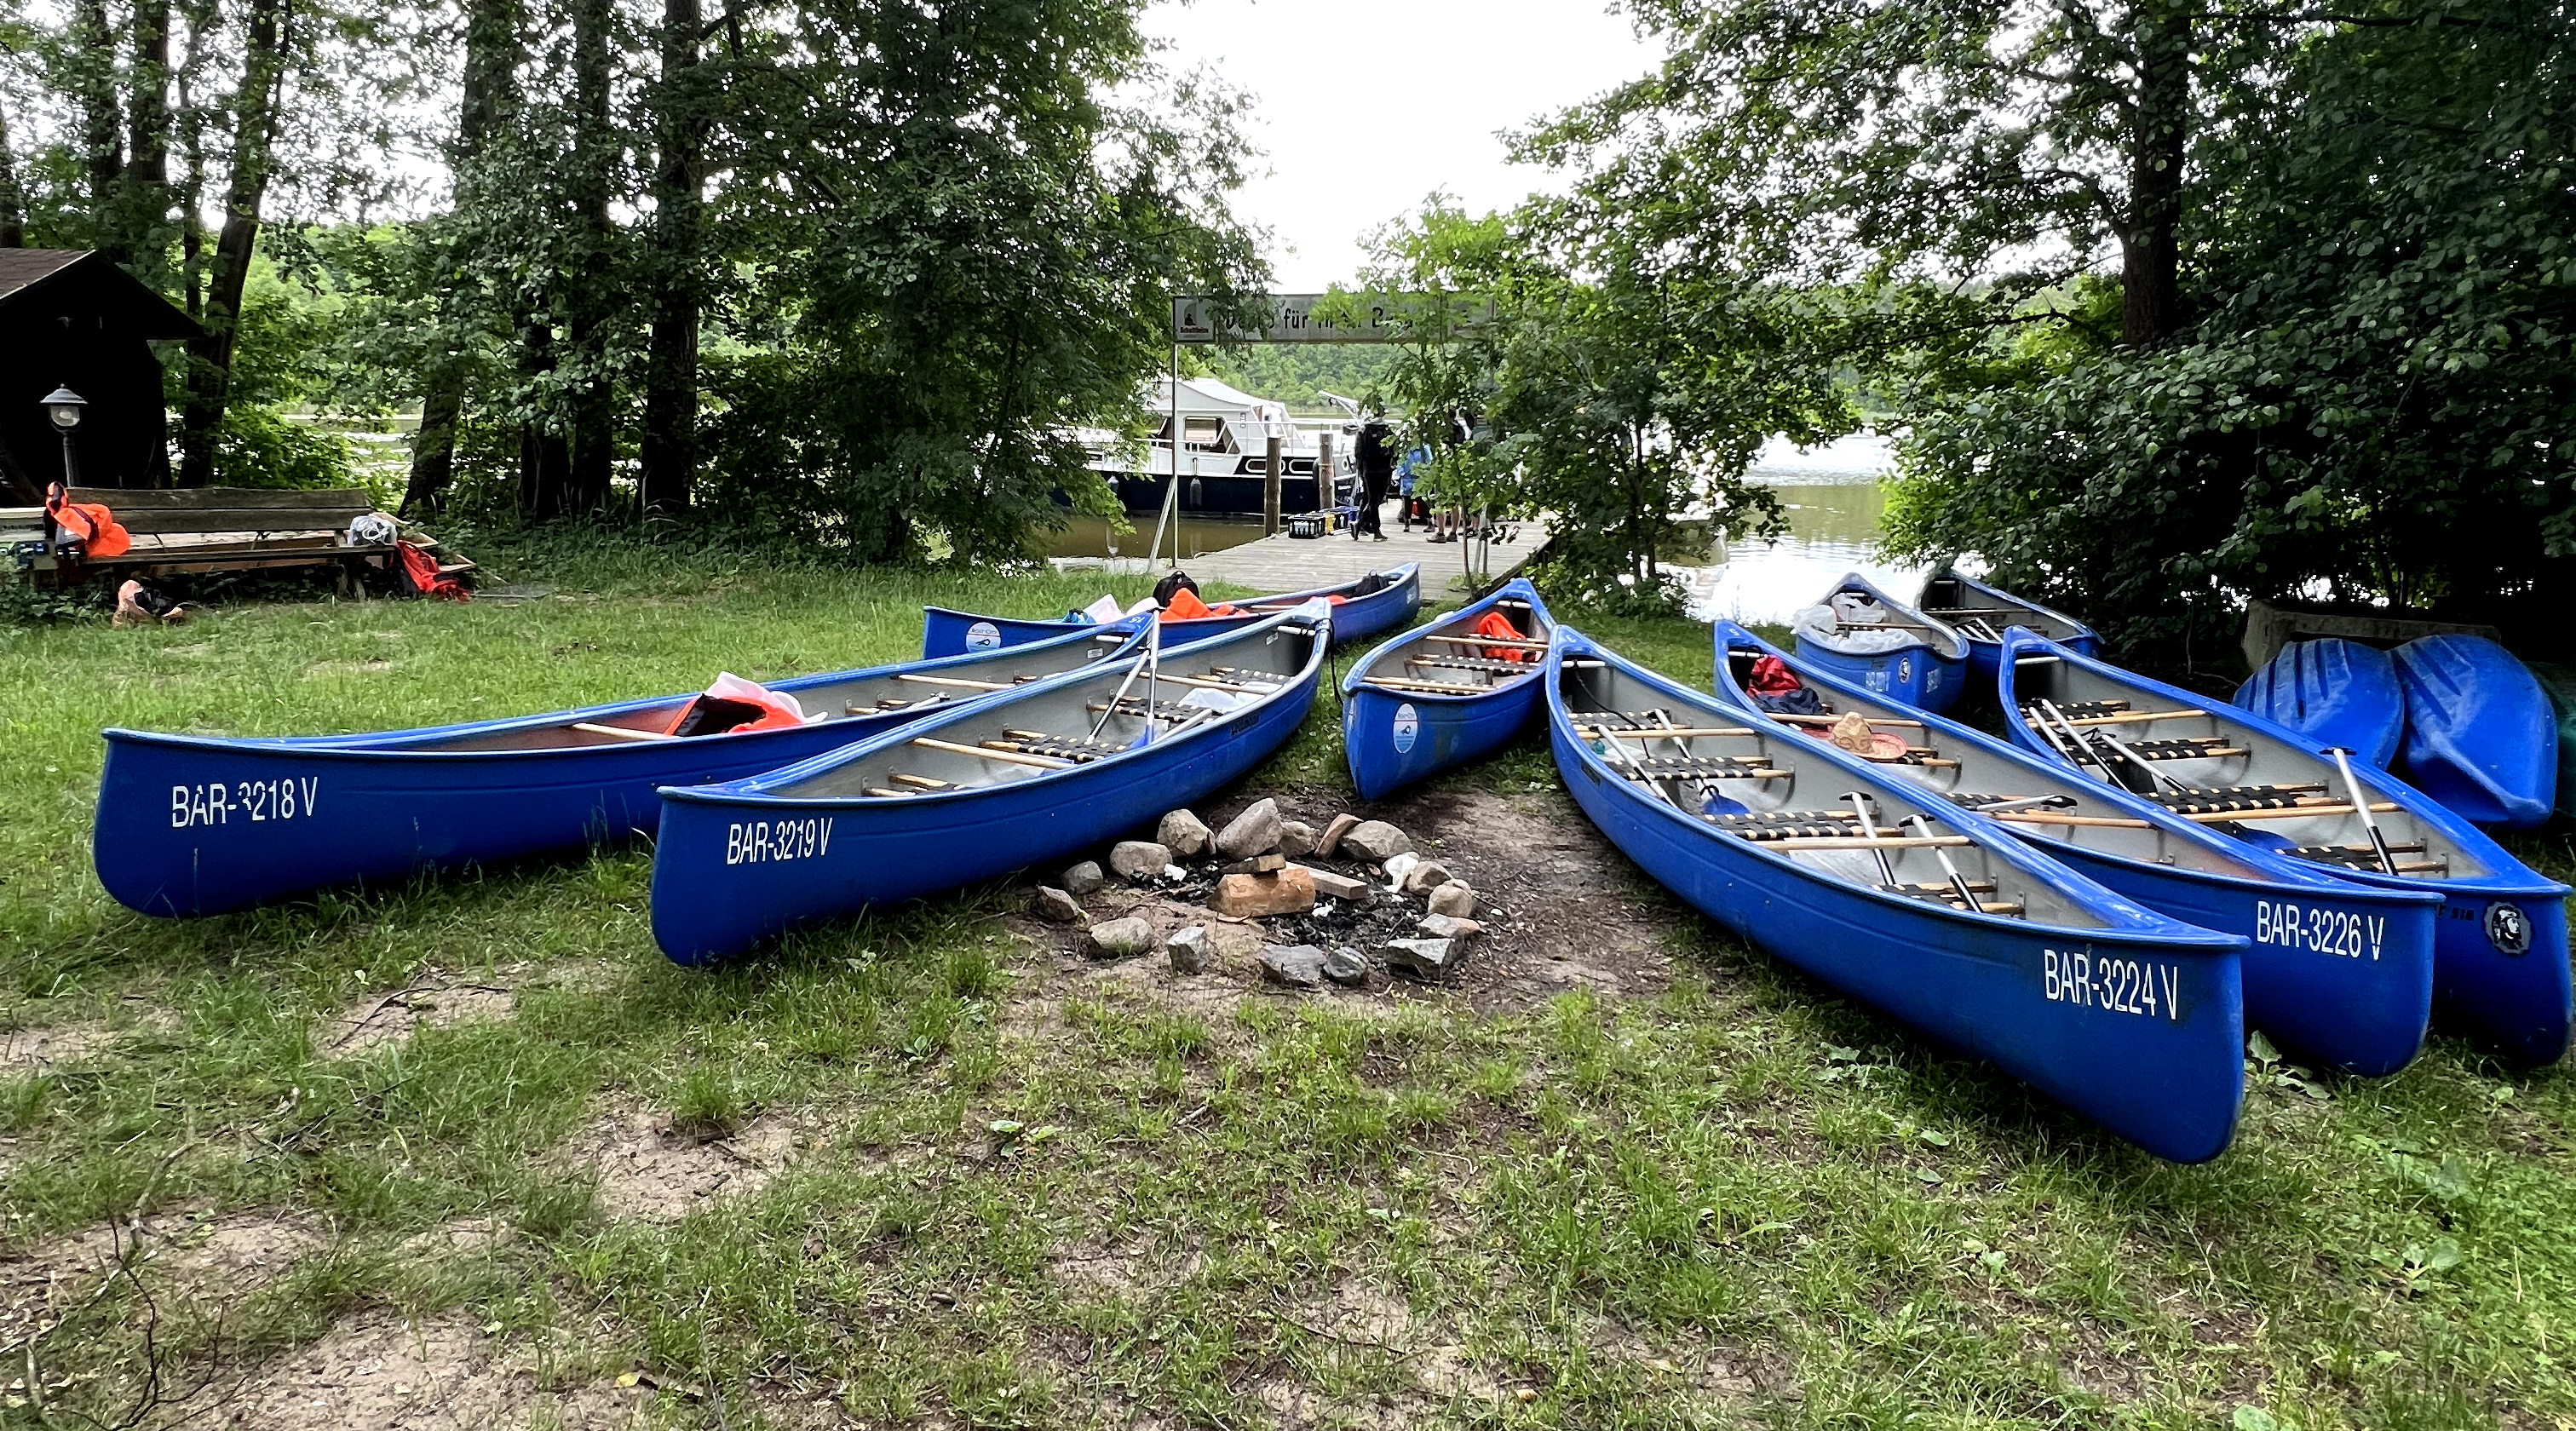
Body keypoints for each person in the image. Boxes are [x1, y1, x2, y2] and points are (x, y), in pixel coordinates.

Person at [1353, 419, 1394, 541]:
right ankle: (1375, 530)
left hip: (1369, 470)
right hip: (1384, 469)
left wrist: (1360, 469)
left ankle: (1360, 523)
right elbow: (1393, 450)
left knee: (1371, 499)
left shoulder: (1363, 432)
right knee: (1376, 500)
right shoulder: (1388, 431)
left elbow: (1358, 452)